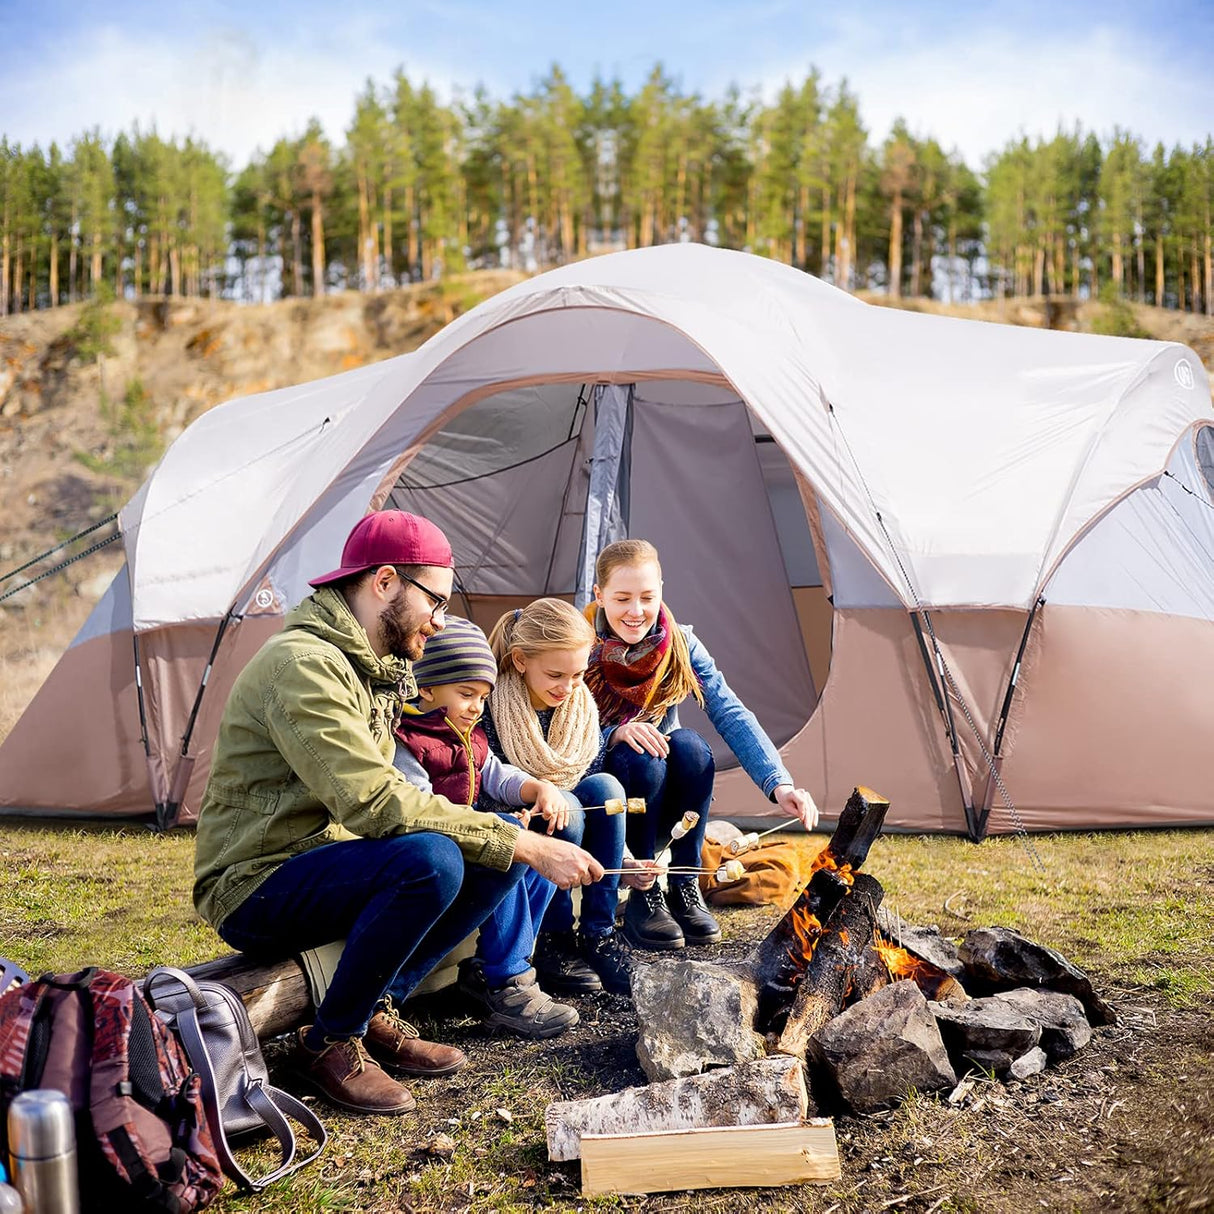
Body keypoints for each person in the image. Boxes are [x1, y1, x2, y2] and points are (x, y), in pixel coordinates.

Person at [193, 510, 602, 1117]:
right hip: (254, 882)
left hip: (320, 862)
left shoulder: (373, 670)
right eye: (435, 600)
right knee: (435, 859)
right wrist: (524, 845)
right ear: (385, 582)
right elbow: (377, 802)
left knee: (497, 850)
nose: (440, 620)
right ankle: (329, 1042)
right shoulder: (303, 666)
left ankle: (376, 1007)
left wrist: (514, 838)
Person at [585, 538, 820, 951]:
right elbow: (554, 734)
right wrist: (612, 734)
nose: (636, 611)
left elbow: (730, 713)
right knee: (641, 753)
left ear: (662, 591)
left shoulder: (679, 643)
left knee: (690, 746)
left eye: (647, 597)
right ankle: (645, 893)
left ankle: (684, 884)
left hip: (665, 805)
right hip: (605, 800)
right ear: (599, 595)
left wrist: (779, 783)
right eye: (622, 598)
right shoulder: (578, 644)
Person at [470, 600, 647, 1017]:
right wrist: (541, 793)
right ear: (519, 660)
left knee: (606, 787)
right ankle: (552, 937)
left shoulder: (578, 707)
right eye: (555, 675)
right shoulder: (492, 706)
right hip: (523, 823)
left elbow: (592, 779)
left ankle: (598, 932)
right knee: (563, 803)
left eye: (578, 674)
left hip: (570, 817)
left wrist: (624, 860)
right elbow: (485, 785)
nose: (568, 686)